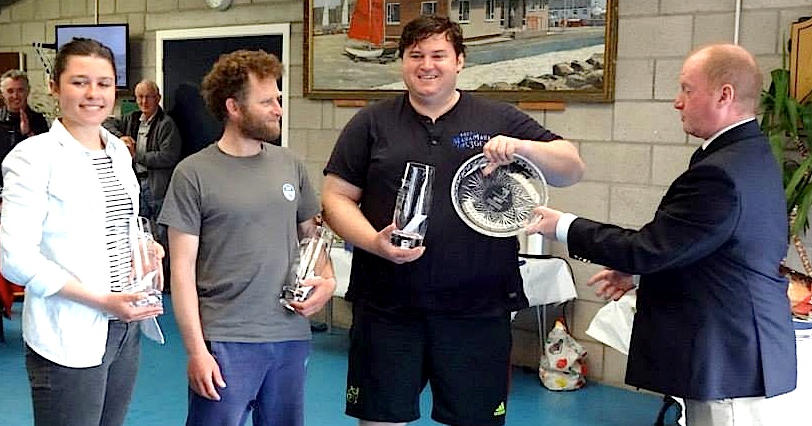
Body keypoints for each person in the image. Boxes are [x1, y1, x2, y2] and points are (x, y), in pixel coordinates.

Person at [321, 15, 584, 426]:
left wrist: (522, 148)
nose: (427, 64)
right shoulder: (370, 123)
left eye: (438, 55)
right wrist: (373, 243)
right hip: (388, 308)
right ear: (403, 62)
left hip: (477, 310)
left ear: (459, 61)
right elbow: (335, 198)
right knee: (379, 420)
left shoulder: (498, 119)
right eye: (416, 55)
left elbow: (570, 168)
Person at [525, 43, 797, 426]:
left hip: (728, 354)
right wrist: (640, 274)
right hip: (738, 345)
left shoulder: (720, 172)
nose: (677, 102)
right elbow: (706, 246)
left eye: (687, 89)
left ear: (725, 95)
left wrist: (564, 226)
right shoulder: (749, 153)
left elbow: (651, 247)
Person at [159, 49, 336, 426]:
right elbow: (182, 271)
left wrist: (328, 280)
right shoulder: (193, 174)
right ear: (234, 107)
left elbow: (313, 238)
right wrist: (195, 351)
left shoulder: (290, 164)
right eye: (267, 101)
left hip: (289, 334)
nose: (279, 109)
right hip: (225, 338)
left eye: (278, 99)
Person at [0, 38, 164, 426]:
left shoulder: (118, 152)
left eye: (104, 83)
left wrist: (146, 246)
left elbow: (123, 223)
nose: (93, 94)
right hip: (68, 332)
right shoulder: (33, 157)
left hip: (125, 325)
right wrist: (101, 300)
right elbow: (15, 257)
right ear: (55, 87)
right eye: (79, 82)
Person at [0, 69, 49, 186]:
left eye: (20, 90)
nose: (15, 96)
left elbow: (45, 158)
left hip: (29, 185)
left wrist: (28, 133)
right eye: (10, 91)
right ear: (2, 94)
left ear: (28, 91)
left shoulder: (38, 121)